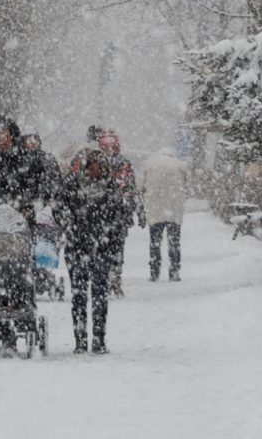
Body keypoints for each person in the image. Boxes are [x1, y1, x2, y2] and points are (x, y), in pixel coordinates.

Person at [56, 137, 136, 353]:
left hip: (100, 248)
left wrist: (111, 240)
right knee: (79, 295)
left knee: (99, 294)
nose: (95, 172)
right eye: (92, 168)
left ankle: (98, 339)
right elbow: (59, 209)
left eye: (99, 168)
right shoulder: (72, 186)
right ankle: (80, 339)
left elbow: (117, 218)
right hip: (78, 247)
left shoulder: (110, 190)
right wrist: (70, 225)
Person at [96, 129, 139, 297]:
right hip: (105, 214)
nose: (108, 150)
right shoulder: (97, 163)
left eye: (110, 146)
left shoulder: (123, 164)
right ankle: (109, 278)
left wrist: (129, 205)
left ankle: (114, 278)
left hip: (114, 214)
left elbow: (130, 188)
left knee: (115, 247)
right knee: (108, 248)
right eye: (105, 147)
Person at [142, 147, 189, 281]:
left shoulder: (148, 164)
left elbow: (142, 186)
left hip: (155, 209)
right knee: (174, 242)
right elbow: (187, 185)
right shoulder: (180, 165)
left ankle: (154, 271)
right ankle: (174, 270)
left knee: (155, 242)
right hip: (173, 209)